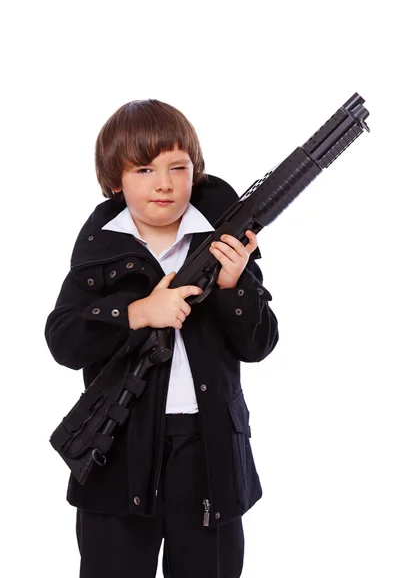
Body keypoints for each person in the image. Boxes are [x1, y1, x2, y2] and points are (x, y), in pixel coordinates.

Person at [44, 98, 279, 578]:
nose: (165, 183)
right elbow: (63, 339)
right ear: (116, 182)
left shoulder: (221, 242)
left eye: (179, 166)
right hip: (118, 454)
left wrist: (234, 290)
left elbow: (261, 345)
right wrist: (137, 312)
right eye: (145, 169)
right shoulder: (100, 251)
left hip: (208, 449)